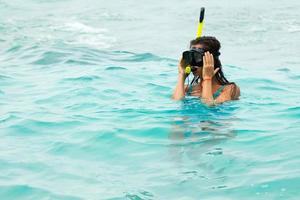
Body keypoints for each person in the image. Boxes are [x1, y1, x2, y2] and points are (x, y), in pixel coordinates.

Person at [172, 36, 240, 106]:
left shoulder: (230, 89)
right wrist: (181, 74)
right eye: (190, 57)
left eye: (197, 58)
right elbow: (177, 103)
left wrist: (207, 79)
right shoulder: (186, 89)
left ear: (211, 61)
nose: (193, 64)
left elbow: (207, 107)